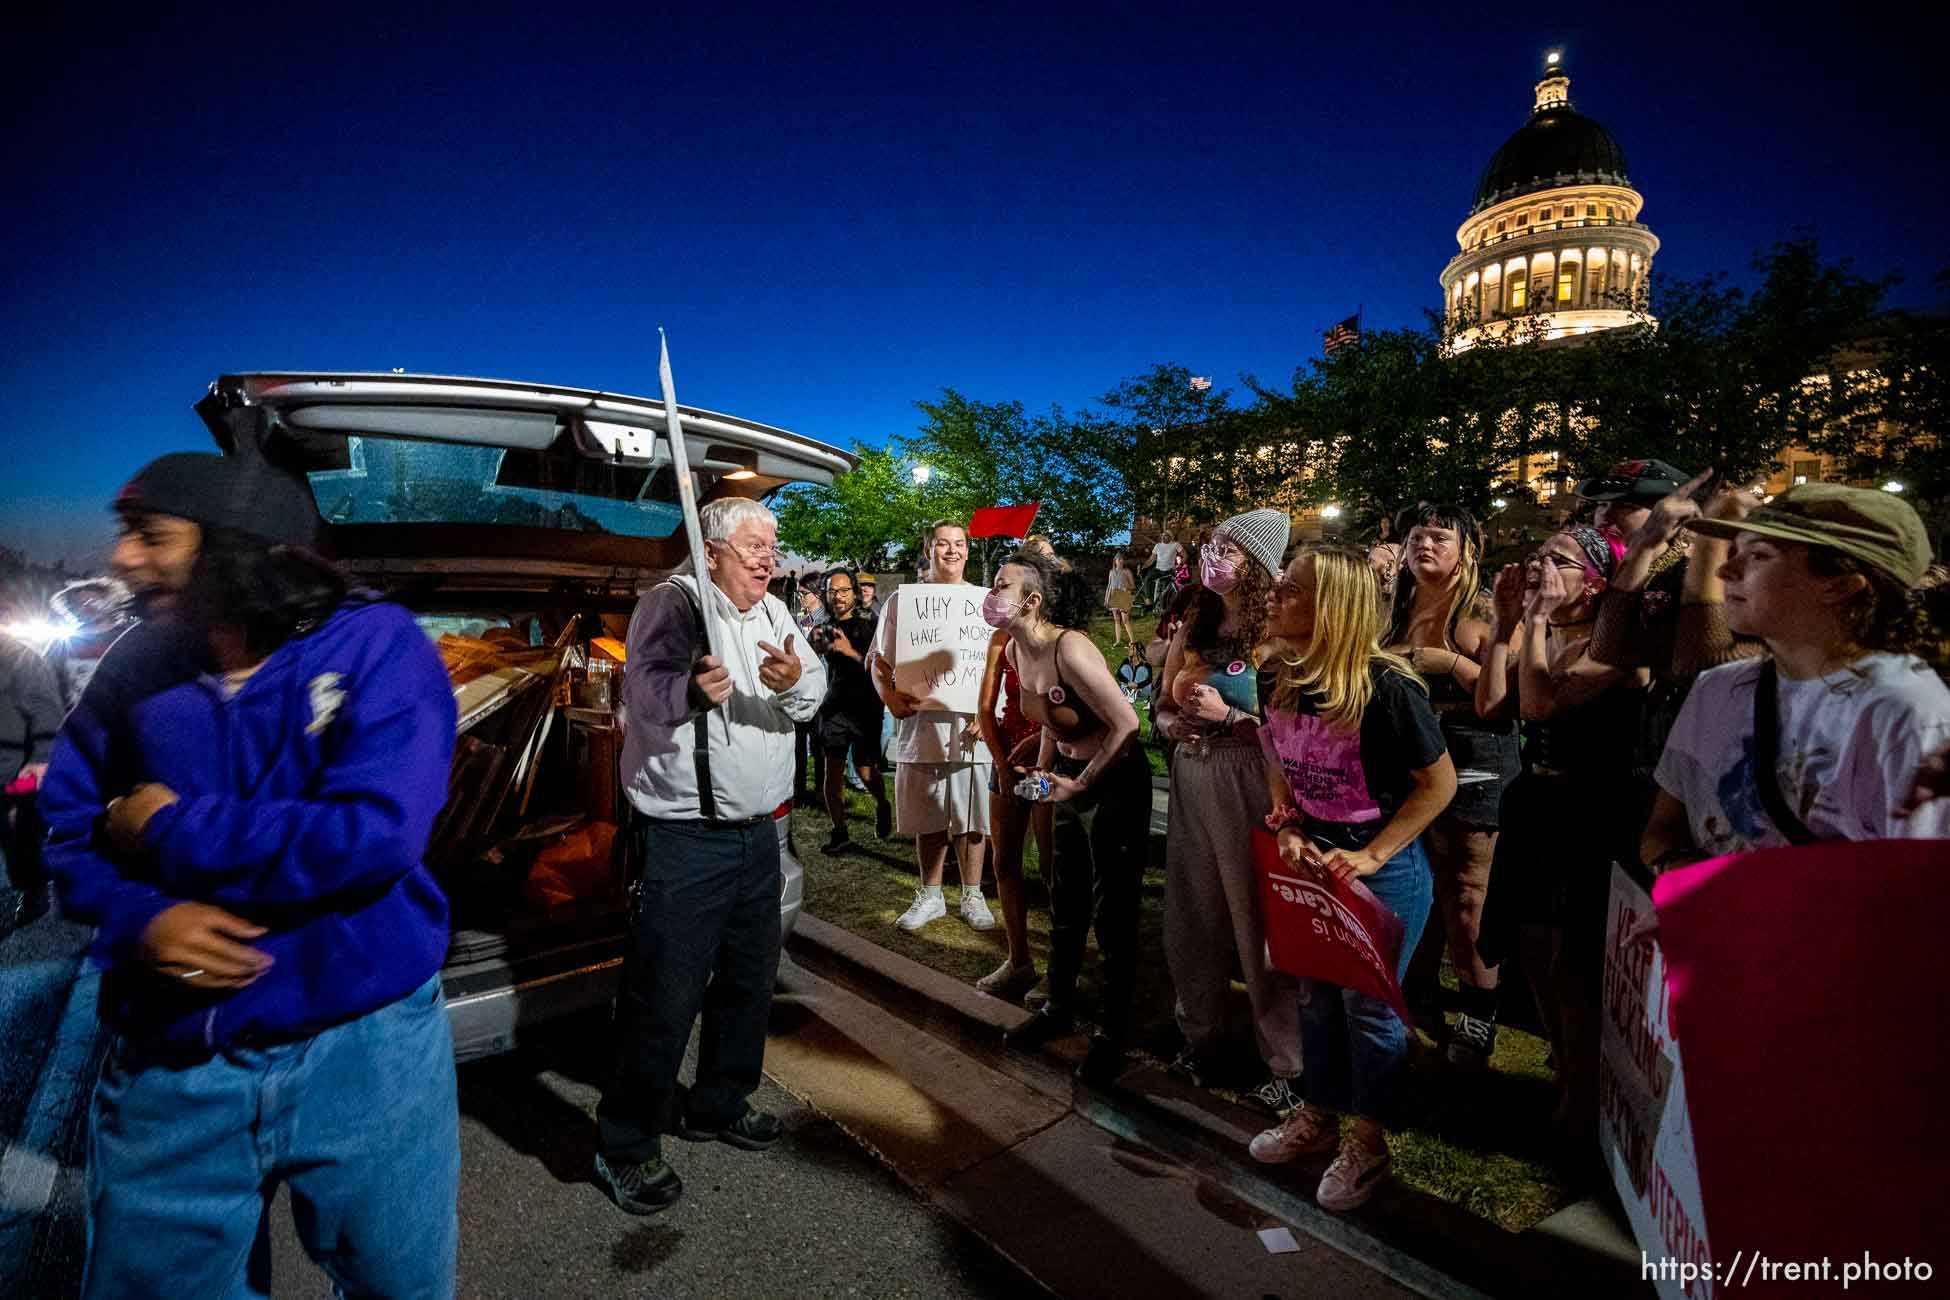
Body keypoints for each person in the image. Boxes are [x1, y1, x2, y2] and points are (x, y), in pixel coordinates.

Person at [39, 452, 461, 1296]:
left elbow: (374, 833)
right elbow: (66, 823)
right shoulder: (138, 665)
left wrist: (168, 826)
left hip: (366, 1042)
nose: (122, 558)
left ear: (239, 547)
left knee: (400, 1283)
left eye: (150, 536)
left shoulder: (378, 646)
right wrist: (136, 918)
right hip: (175, 1057)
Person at [595, 496, 826, 1215]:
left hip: (763, 835)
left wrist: (796, 687)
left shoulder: (776, 613)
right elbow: (642, 689)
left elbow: (813, 690)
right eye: (754, 546)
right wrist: (689, 690)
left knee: (749, 984)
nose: (769, 558)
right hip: (688, 839)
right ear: (714, 549)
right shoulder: (674, 604)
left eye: (774, 546)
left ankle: (720, 1103)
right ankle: (626, 1146)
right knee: (663, 996)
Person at [1246, 547, 1456, 1211]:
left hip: (1381, 868)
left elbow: (1439, 785)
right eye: (1278, 585)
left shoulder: (1388, 688)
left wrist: (1373, 855)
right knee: (1314, 996)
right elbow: (1277, 750)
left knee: (1369, 1010)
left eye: (1291, 589)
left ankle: (1368, 1143)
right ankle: (1319, 1115)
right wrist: (1286, 819)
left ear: (1332, 607)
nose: (1275, 594)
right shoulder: (1276, 673)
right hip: (1311, 862)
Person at [1640, 484, 1950, 866]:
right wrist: (1681, 882)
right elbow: (1662, 830)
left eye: (1758, 555)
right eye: (1733, 550)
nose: (1726, 569)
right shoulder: (1719, 687)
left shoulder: (1911, 718)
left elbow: (1920, 894)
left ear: (1839, 586)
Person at [1473, 524, 1646, 1175]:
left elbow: (1539, 707)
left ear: (1596, 581)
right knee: (1532, 949)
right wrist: (1501, 623)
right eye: (1539, 554)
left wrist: (1535, 624)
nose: (1542, 565)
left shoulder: (1618, 650)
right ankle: (1565, 1066)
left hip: (1589, 815)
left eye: (1561, 559)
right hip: (1535, 805)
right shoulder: (1550, 638)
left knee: (1575, 965)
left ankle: (1581, 1101)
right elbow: (1493, 702)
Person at [1157, 508, 1303, 1112]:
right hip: (1195, 775)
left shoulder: (1283, 635)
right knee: (1194, 910)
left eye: (1230, 549)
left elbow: (1294, 730)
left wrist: (1234, 720)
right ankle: (1202, 1034)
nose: (1214, 555)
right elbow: (1161, 704)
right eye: (1211, 545)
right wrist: (1173, 723)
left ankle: (1289, 1066)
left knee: (1259, 920)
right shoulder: (1195, 622)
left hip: (1253, 779)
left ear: (1258, 567)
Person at [993, 550, 1153, 1082]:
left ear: (1032, 601)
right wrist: (1043, 776)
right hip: (1067, 778)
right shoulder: (1016, 651)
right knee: (1066, 899)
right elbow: (1048, 723)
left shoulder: (1071, 648)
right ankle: (1057, 1009)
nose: (992, 595)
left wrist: (1080, 784)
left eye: (1002, 586)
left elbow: (1126, 723)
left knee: (1112, 911)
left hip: (1114, 785)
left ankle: (1112, 1033)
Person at [1383, 504, 1518, 1066]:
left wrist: (1443, 661)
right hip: (1408, 751)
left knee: (1465, 895)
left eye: (1440, 537)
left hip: (1473, 752)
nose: (1426, 545)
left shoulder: (1481, 609)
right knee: (1414, 882)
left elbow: (1503, 698)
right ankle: (1416, 1004)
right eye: (1417, 536)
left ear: (1466, 548)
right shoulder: (1395, 605)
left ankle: (1479, 1016)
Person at [870, 521, 994, 932]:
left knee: (974, 813)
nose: (952, 551)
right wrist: (889, 696)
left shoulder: (986, 604)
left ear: (968, 551)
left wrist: (988, 712)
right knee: (929, 812)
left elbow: (1002, 667)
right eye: (943, 544)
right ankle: (931, 893)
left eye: (959, 544)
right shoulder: (903, 603)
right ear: (929, 548)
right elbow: (878, 661)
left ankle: (973, 894)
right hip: (922, 725)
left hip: (972, 728)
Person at [973, 601, 1051, 1003]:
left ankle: (1059, 967)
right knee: (1004, 862)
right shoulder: (1000, 638)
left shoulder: (1062, 639)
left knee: (1055, 869)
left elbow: (1079, 704)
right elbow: (985, 707)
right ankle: (1018, 960)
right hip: (1008, 759)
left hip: (1050, 762)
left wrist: (1043, 741)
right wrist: (1001, 765)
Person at [811, 568, 890, 852]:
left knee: (866, 771)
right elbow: (812, 659)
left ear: (854, 593)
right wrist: (815, 647)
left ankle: (882, 804)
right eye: (833, 591)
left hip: (866, 708)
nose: (839, 596)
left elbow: (880, 669)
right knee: (832, 772)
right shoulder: (823, 628)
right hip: (835, 708)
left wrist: (849, 652)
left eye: (844, 590)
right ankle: (840, 831)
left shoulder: (870, 626)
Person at [0, 629, 63, 938]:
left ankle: (33, 890)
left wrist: (41, 757)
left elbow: (45, 709)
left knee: (18, 833)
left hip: (12, 765)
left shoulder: (19, 656)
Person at [1104, 551, 1136, 647]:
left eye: (1122, 559)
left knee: (1125, 620)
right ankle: (1117, 641)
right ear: (1115, 561)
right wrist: (1106, 599)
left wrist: (1127, 587)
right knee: (1116, 620)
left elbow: (1133, 586)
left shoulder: (1127, 572)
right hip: (1114, 596)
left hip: (1124, 595)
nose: (1121, 561)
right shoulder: (1111, 572)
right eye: (1119, 559)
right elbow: (1109, 586)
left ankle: (1132, 641)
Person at [1147, 530, 1183, 610]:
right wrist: (1143, 566)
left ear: (1170, 537)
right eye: (1162, 535)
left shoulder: (1175, 545)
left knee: (1165, 589)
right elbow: (1151, 559)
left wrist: (1179, 565)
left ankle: (1164, 607)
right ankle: (1148, 601)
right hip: (1158, 569)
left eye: (1165, 535)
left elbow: (1185, 555)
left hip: (1169, 570)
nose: (1163, 537)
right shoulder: (1158, 545)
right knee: (1148, 579)